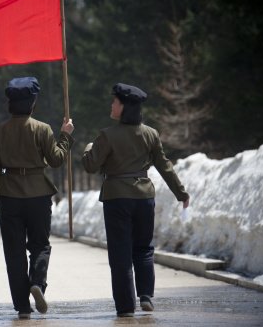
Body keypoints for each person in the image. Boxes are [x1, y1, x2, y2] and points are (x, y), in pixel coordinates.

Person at [81, 83, 190, 318]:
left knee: (120, 253)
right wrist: (181, 193)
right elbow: (164, 165)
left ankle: (125, 307)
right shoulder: (151, 134)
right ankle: (146, 296)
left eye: (115, 102)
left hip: (117, 198)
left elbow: (90, 166)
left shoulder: (107, 135)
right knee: (143, 249)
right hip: (144, 197)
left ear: (124, 107)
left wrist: (88, 149)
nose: (112, 105)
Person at [0, 77, 75, 320]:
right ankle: (37, 282)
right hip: (38, 194)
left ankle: (22, 306)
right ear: (33, 104)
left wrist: (6, 180)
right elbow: (56, 160)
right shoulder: (42, 129)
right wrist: (66, 135)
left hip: (9, 196)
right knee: (40, 245)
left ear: (10, 105)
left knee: (13, 252)